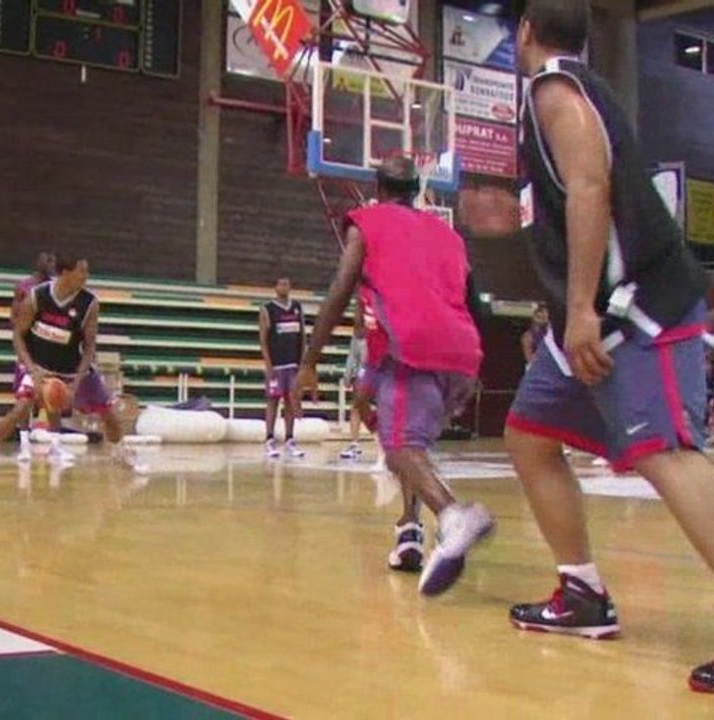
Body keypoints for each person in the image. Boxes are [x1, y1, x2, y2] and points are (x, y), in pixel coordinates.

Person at [506, 0, 714, 693]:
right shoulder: (575, 88)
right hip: (591, 311)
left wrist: (581, 309)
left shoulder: (554, 89)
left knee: (669, 456)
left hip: (635, 308)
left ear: (526, 32)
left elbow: (590, 188)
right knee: (530, 434)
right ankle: (583, 593)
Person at [293, 157, 494, 592]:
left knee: (402, 447)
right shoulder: (449, 235)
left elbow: (340, 287)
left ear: (378, 188)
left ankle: (453, 516)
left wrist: (309, 362)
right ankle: (409, 530)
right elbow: (475, 301)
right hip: (457, 350)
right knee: (394, 429)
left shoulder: (367, 223)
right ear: (418, 190)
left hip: (413, 348)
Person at [0, 252, 145, 477]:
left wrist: (75, 384)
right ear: (66, 273)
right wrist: (32, 370)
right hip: (40, 366)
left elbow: (90, 348)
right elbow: (18, 335)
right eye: (82, 271)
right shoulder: (36, 296)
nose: (86, 276)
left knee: (108, 413)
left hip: (73, 367)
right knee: (20, 409)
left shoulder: (89, 303)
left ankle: (122, 454)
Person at [12, 251, 56, 462]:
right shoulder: (24, 286)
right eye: (47, 259)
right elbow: (14, 315)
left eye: (53, 260)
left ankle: (55, 445)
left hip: (50, 347)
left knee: (54, 395)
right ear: (38, 262)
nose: (50, 263)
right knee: (25, 396)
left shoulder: (57, 289)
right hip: (29, 347)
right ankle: (23, 444)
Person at [259, 277, 306, 459]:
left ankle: (290, 439)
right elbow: (263, 340)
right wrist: (268, 364)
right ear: (275, 287)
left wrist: (303, 362)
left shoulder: (297, 307)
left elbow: (302, 337)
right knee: (272, 401)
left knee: (290, 401)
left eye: (287, 284)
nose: (284, 287)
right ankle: (269, 439)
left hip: (293, 363)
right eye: (280, 284)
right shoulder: (267, 309)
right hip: (276, 364)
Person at [339, 300, 368, 460]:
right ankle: (354, 443)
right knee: (356, 407)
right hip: (362, 372)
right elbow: (352, 355)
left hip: (377, 372)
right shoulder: (357, 334)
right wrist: (348, 375)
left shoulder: (377, 330)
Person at [520, 303, 549, 368]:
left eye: (544, 317)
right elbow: (529, 357)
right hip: (536, 368)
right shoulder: (528, 336)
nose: (541, 317)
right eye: (539, 316)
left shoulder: (551, 333)